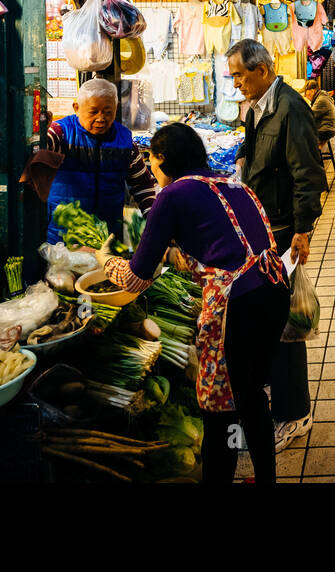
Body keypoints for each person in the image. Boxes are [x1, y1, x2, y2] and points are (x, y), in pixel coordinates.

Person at [97, 123, 290, 485]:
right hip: (274, 292)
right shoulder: (234, 183)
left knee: (220, 411)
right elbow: (226, 239)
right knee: (251, 398)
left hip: (239, 307)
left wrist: (103, 259)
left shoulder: (173, 194)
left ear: (163, 159)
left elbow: (136, 279)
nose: (151, 170)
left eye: (152, 162)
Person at [227, 39, 327, 453]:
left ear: (262, 70)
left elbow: (309, 172)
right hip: (264, 229)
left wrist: (303, 230)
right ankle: (277, 398)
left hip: (285, 232)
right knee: (269, 321)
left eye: (239, 75)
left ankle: (295, 413)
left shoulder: (289, 107)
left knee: (285, 326)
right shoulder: (259, 106)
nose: (235, 84)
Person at [44, 78, 156, 244]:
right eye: (93, 111)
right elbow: (41, 151)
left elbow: (142, 185)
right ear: (76, 108)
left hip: (108, 240)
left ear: (116, 108)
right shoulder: (60, 133)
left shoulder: (125, 140)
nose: (101, 118)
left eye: (107, 111)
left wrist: (154, 221)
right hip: (63, 240)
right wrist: (40, 133)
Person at [303, 79, 335, 149]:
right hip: (327, 127)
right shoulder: (321, 96)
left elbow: (310, 116)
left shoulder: (321, 100)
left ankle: (311, 158)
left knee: (299, 136)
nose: (305, 96)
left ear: (312, 91)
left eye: (306, 94)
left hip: (325, 129)